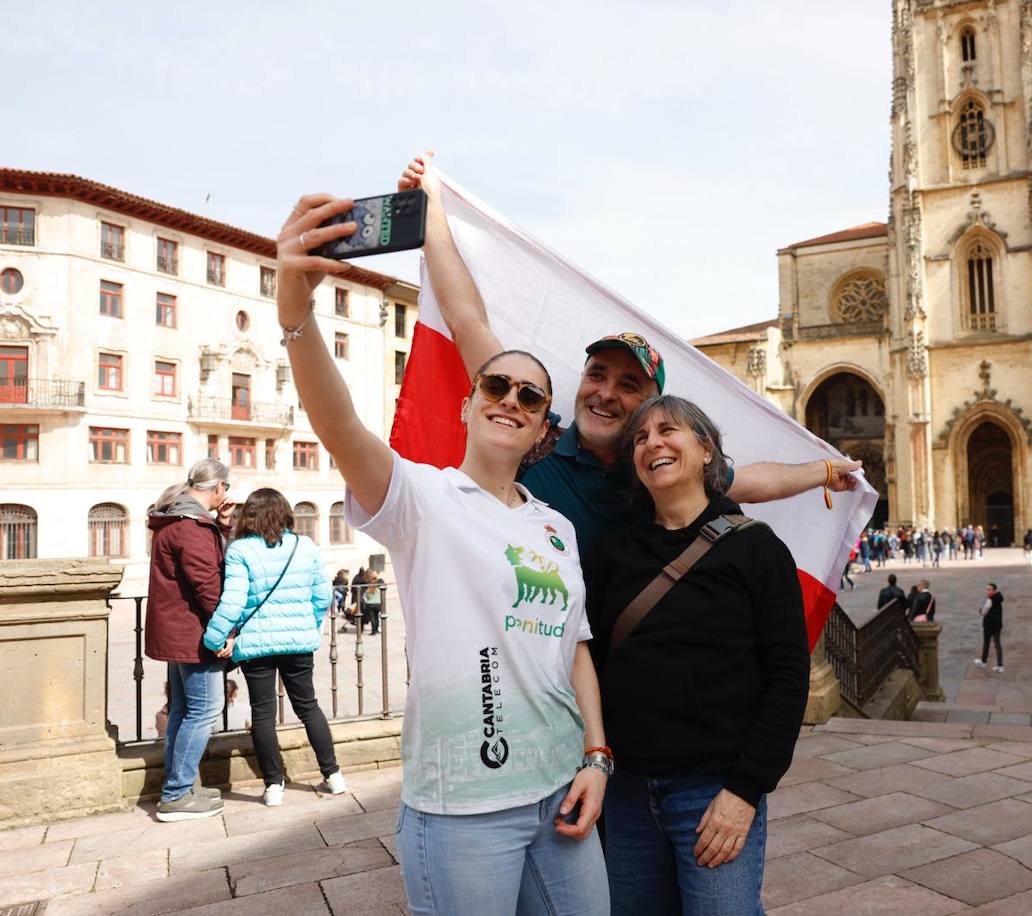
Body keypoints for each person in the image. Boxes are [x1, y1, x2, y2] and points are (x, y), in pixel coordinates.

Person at [275, 194, 610, 913]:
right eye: (495, 384)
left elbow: (574, 644)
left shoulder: (556, 527)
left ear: (541, 432)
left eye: (530, 396)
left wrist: (597, 757)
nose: (511, 399)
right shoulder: (422, 499)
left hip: (561, 787)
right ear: (468, 402)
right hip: (464, 807)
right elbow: (341, 431)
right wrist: (296, 320)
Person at [397, 151, 861, 560]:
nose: (605, 393)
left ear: (648, 407)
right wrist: (432, 209)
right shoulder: (534, 434)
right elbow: (467, 321)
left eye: (628, 385)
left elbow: (752, 481)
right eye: (598, 375)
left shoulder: (651, 469)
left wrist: (821, 471)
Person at [589, 395, 809, 915]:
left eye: (669, 431)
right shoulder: (611, 550)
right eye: (640, 438)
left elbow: (788, 674)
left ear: (706, 450)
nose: (653, 444)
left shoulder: (757, 549)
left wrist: (746, 790)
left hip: (713, 793)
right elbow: (591, 662)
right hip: (626, 792)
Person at [203, 488, 343, 807]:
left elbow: (234, 600)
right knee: (308, 706)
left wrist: (213, 639)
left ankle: (273, 785)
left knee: (263, 713)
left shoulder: (240, 550)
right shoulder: (304, 546)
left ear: (248, 515)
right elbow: (323, 595)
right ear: (285, 513)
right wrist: (311, 623)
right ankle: (333, 775)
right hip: (297, 641)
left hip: (256, 643)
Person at [146, 457, 234, 822]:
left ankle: (180, 786)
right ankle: (177, 794)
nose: (226, 495)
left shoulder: (176, 521)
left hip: (177, 631)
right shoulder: (191, 527)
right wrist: (224, 629)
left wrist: (222, 524)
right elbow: (208, 584)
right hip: (194, 634)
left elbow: (206, 563)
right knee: (205, 711)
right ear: (217, 488)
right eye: (225, 488)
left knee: (183, 710)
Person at [973, 582, 1005, 672]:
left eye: (989, 589)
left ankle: (983, 661)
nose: (987, 591)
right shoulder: (999, 598)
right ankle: (1000, 665)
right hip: (997, 624)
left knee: (986, 643)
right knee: (997, 644)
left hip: (989, 625)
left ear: (994, 590)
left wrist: (980, 611)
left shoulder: (990, 600)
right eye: (987, 589)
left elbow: (984, 612)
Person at [360, 569, 384, 635]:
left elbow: (364, 597)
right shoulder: (378, 588)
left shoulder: (368, 590)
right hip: (378, 604)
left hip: (370, 604)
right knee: (377, 617)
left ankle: (373, 631)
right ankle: (376, 629)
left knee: (372, 618)